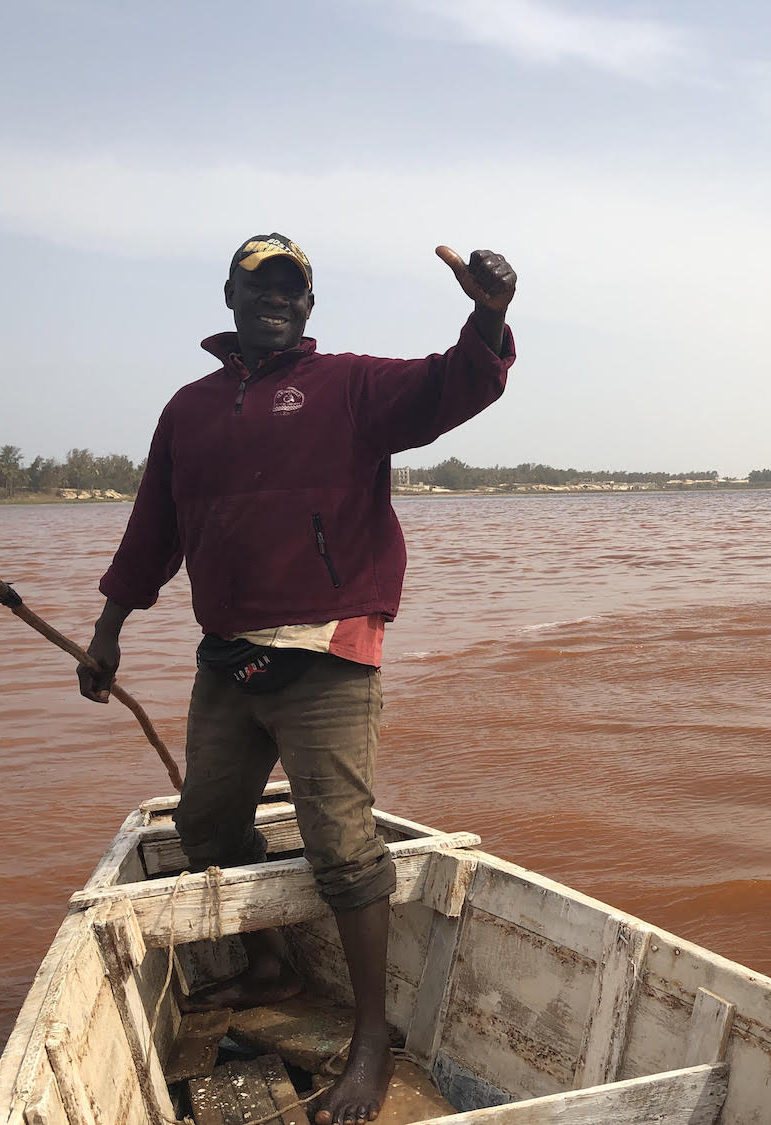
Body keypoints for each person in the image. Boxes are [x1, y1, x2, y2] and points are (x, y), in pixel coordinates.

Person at [78, 233, 516, 1124]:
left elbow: (448, 387)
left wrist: (488, 318)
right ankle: (271, 960)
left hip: (326, 649)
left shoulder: (351, 386)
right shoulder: (188, 409)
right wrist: (108, 628)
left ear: (309, 306)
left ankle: (369, 1044)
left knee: (345, 850)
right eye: (260, 286)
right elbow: (152, 530)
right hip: (227, 657)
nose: (276, 299)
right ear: (231, 298)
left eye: (292, 288)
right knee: (204, 823)